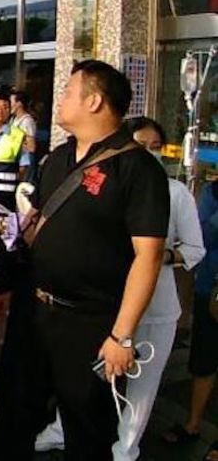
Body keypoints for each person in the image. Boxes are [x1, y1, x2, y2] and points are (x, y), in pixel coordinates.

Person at [0, 60, 169, 461]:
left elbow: (149, 256)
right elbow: (35, 229)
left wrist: (122, 336)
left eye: (68, 91)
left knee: (87, 430)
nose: (61, 98)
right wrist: (9, 285)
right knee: (15, 416)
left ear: (93, 101)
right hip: (32, 313)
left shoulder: (138, 169)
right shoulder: (58, 158)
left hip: (89, 323)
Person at [35, 117, 206, 460]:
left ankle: (125, 448)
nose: (148, 153)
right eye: (142, 145)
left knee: (142, 384)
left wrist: (157, 256)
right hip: (108, 302)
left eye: (156, 148)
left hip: (156, 307)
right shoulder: (105, 184)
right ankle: (61, 430)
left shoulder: (175, 193)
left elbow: (194, 250)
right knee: (86, 378)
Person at [161, 178, 218, 460]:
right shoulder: (213, 192)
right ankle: (193, 423)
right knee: (204, 360)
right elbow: (202, 238)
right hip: (211, 290)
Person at [11, 90, 39, 181]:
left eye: (11, 102)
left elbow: (32, 147)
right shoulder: (14, 120)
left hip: (25, 161)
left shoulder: (27, 121)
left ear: (19, 104)